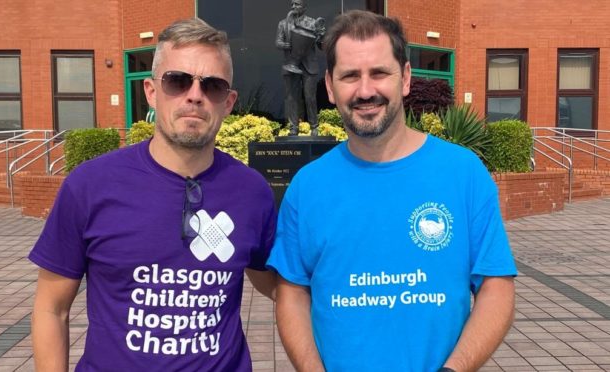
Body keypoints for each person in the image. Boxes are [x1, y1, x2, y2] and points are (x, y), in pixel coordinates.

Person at [267, 10, 517, 372]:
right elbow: (291, 291)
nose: (365, 91)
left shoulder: (463, 173)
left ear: (405, 79)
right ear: (330, 87)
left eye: (379, 73)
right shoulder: (308, 186)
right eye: (350, 76)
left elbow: (496, 285)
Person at [29, 18, 277, 371]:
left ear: (229, 101)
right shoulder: (90, 186)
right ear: (150, 91)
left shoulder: (252, 192)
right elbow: (52, 309)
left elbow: (282, 286)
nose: (195, 95)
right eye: (177, 81)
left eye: (213, 86)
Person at [275, 0, 325, 136]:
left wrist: (321, 36)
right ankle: (293, 127)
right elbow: (278, 42)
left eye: (297, 4)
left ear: (304, 7)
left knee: (310, 97)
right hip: (290, 65)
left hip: (309, 66)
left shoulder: (313, 23)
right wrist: (286, 45)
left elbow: (321, 46)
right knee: (292, 98)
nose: (293, 7)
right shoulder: (283, 23)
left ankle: (314, 127)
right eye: (292, 4)